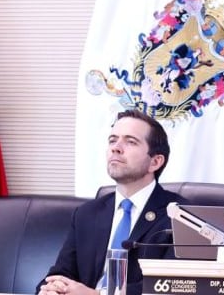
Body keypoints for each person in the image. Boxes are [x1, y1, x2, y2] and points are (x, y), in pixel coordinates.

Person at [39, 109, 186, 295]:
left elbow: (175, 287)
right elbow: (62, 273)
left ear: (155, 162)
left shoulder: (181, 217)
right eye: (112, 140)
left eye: (130, 142)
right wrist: (53, 289)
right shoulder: (87, 213)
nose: (116, 148)